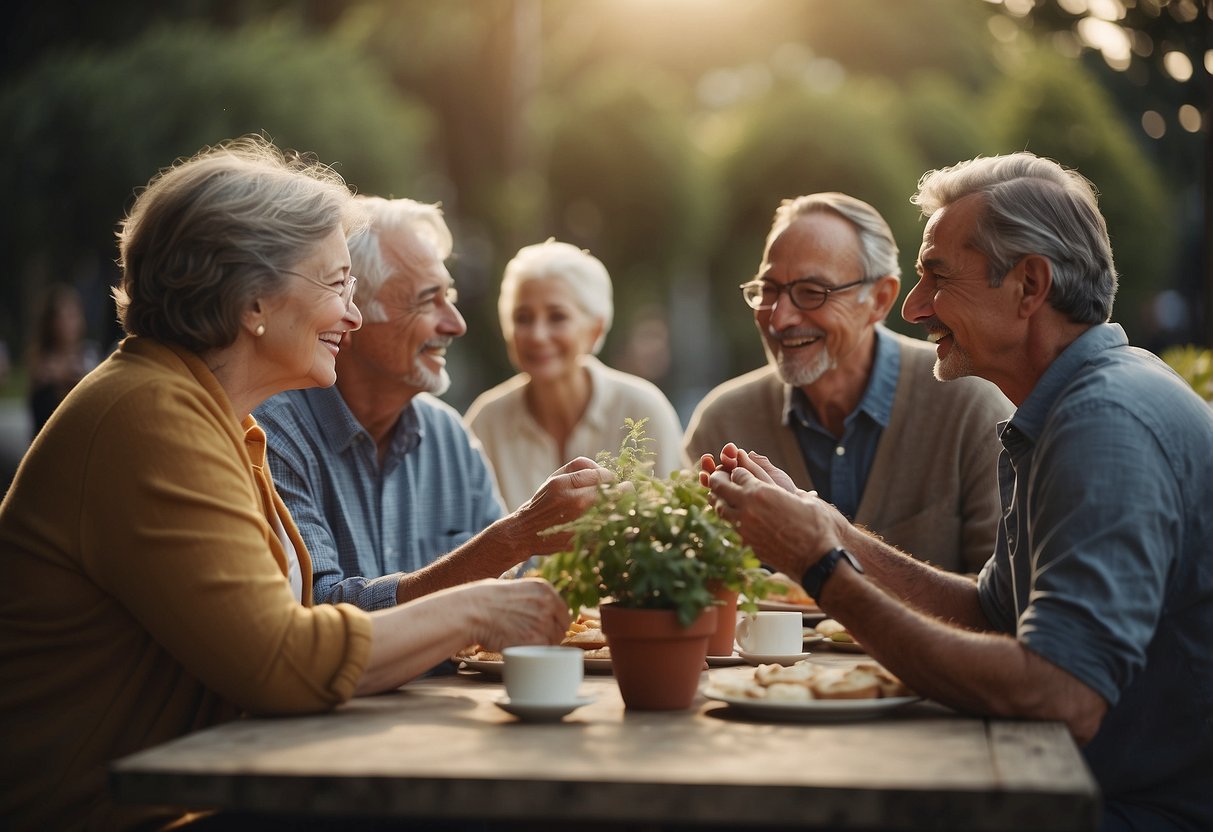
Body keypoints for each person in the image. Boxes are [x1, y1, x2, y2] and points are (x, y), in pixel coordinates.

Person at [0, 136, 573, 831]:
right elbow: (283, 659)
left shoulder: (209, 416)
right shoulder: (150, 417)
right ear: (253, 302)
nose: (353, 316)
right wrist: (474, 609)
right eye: (336, 285)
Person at [704, 152, 1212, 831]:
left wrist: (819, 568)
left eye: (935, 277)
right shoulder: (1067, 408)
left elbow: (1061, 694)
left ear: (1028, 285)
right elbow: (988, 612)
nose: (913, 307)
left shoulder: (1104, 422)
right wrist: (830, 530)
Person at [255, 201, 611, 611]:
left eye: (451, 295)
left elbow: (515, 586)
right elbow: (317, 613)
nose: (456, 324)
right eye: (428, 301)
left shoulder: (449, 436)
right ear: (350, 316)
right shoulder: (272, 433)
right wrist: (512, 538)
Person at [684, 193, 1011, 575]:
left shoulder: (969, 405)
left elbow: (1003, 602)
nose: (780, 318)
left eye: (812, 292)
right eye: (768, 290)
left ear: (880, 299)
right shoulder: (724, 421)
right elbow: (690, 575)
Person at [465, 239, 686, 510]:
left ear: (594, 330)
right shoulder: (486, 422)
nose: (537, 335)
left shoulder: (645, 409)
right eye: (523, 318)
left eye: (557, 317)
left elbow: (674, 525)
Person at [25, 282, 100, 436]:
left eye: (73, 315)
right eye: (63, 316)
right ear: (51, 322)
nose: (69, 323)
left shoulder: (89, 355)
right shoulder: (41, 362)